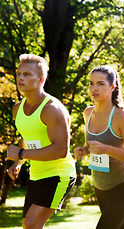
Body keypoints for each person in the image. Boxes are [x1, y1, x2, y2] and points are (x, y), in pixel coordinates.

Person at [6, 54, 76, 229]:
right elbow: (27, 136)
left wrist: (21, 154)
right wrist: (18, 162)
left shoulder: (52, 109)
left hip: (59, 174)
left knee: (31, 224)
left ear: (41, 80)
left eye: (27, 74)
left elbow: (61, 150)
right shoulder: (18, 109)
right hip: (37, 175)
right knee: (29, 226)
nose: (20, 77)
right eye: (19, 73)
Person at [74, 65, 124, 229]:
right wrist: (85, 150)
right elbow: (93, 144)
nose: (94, 88)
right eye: (91, 83)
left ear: (112, 86)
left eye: (100, 84)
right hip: (100, 186)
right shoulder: (88, 113)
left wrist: (106, 149)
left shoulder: (121, 116)